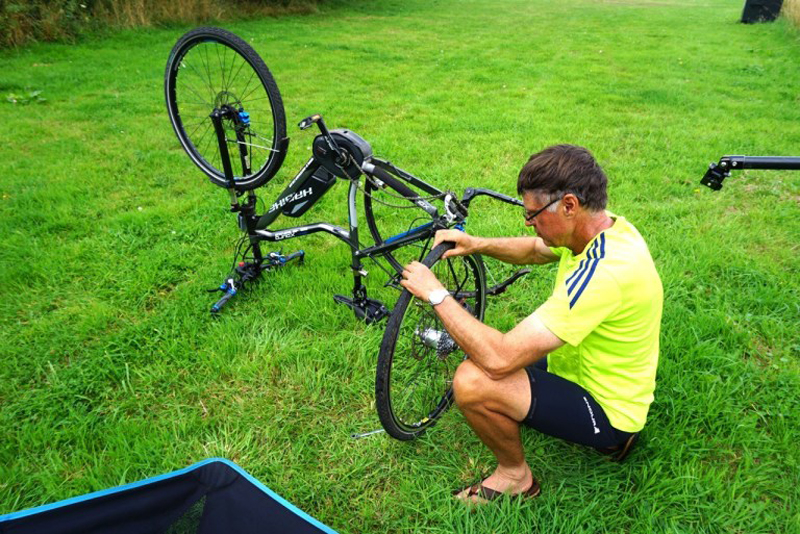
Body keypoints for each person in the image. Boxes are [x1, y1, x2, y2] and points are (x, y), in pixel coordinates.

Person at [399, 144, 663, 502]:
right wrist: (476, 243)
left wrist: (435, 294)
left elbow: (500, 358)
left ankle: (516, 478)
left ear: (569, 205)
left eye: (533, 214)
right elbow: (538, 249)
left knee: (474, 379)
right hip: (581, 368)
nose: (529, 223)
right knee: (482, 355)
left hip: (609, 411)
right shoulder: (600, 228)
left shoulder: (607, 273)